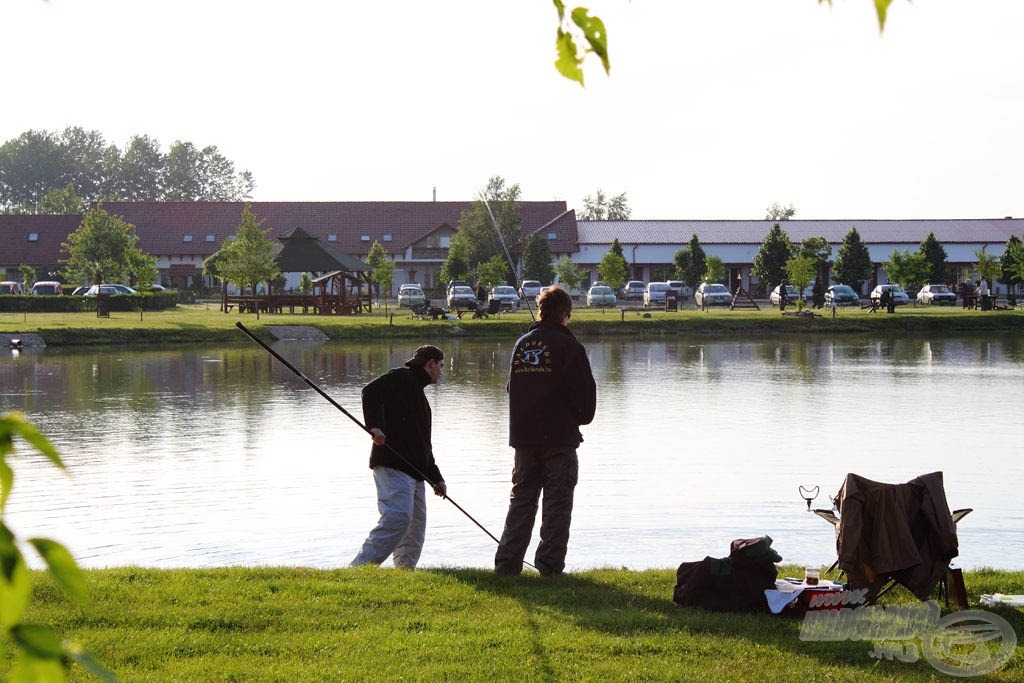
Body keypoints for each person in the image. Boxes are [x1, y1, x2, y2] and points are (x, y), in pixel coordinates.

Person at [494, 286, 597, 577]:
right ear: (566, 314)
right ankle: (549, 568)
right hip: (559, 440)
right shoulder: (570, 347)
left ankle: (506, 565)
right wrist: (578, 419)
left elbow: (510, 389)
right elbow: (585, 398)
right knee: (557, 505)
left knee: (521, 503)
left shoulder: (522, 345)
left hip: (524, 440)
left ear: (540, 311)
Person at [351, 345, 447, 568]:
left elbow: (424, 446)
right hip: (393, 464)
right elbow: (370, 392)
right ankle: (361, 567)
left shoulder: (422, 402)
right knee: (398, 518)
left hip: (415, 472)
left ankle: (404, 572)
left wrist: (436, 478)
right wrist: (375, 427)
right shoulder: (402, 377)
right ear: (430, 363)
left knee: (415, 527)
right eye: (440, 366)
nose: (441, 371)